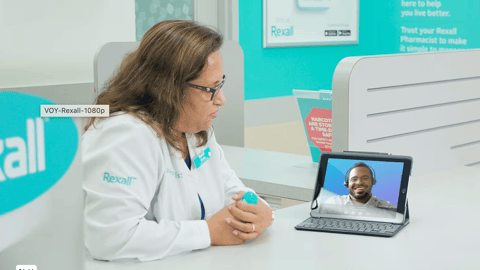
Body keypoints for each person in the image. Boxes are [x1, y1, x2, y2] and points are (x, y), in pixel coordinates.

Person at [82, 20, 273, 262]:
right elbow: (110, 238)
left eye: (220, 84)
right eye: (210, 89)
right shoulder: (125, 134)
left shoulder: (194, 131)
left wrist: (260, 212)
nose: (221, 99)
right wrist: (208, 232)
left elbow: (232, 192)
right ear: (169, 89)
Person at [322, 162, 396, 216]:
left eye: (365, 178)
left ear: (373, 181)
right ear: (347, 184)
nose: (359, 182)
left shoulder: (388, 209)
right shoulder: (333, 203)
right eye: (354, 179)